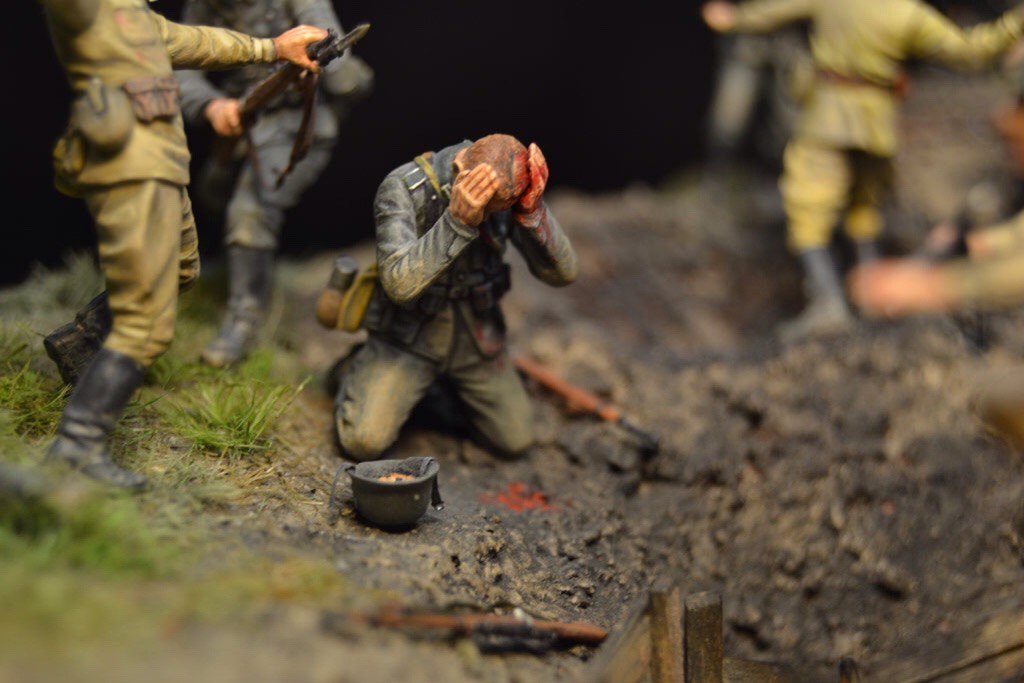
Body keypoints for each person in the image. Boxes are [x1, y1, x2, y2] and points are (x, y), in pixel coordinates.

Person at [40, 0, 329, 490]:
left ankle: (84, 342)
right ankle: (77, 448)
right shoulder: (94, 12)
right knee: (145, 324)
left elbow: (195, 41)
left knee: (181, 270)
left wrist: (273, 48)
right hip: (131, 167)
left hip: (162, 166)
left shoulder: (137, 16)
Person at [702, 0, 1024, 342]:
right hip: (877, 123)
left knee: (806, 208)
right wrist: (1015, 23)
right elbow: (971, 50)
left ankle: (831, 301)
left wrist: (733, 19)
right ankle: (871, 294)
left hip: (829, 117)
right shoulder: (905, 12)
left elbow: (772, 12)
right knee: (864, 207)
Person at [332, 134, 578, 461]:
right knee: (362, 442)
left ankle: (439, 391)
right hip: (408, 338)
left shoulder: (506, 193)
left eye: (498, 209)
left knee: (515, 439)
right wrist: (457, 223)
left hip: (474, 337)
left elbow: (565, 273)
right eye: (490, 208)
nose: (491, 217)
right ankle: (355, 367)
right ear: (461, 170)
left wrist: (534, 214)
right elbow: (398, 284)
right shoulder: (405, 188)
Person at [177, 0, 373, 368]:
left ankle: (244, 320)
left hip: (297, 121)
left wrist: (320, 64)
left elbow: (342, 71)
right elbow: (181, 62)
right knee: (211, 194)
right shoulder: (205, 6)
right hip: (246, 115)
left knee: (249, 213)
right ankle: (234, 271)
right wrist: (210, 106)